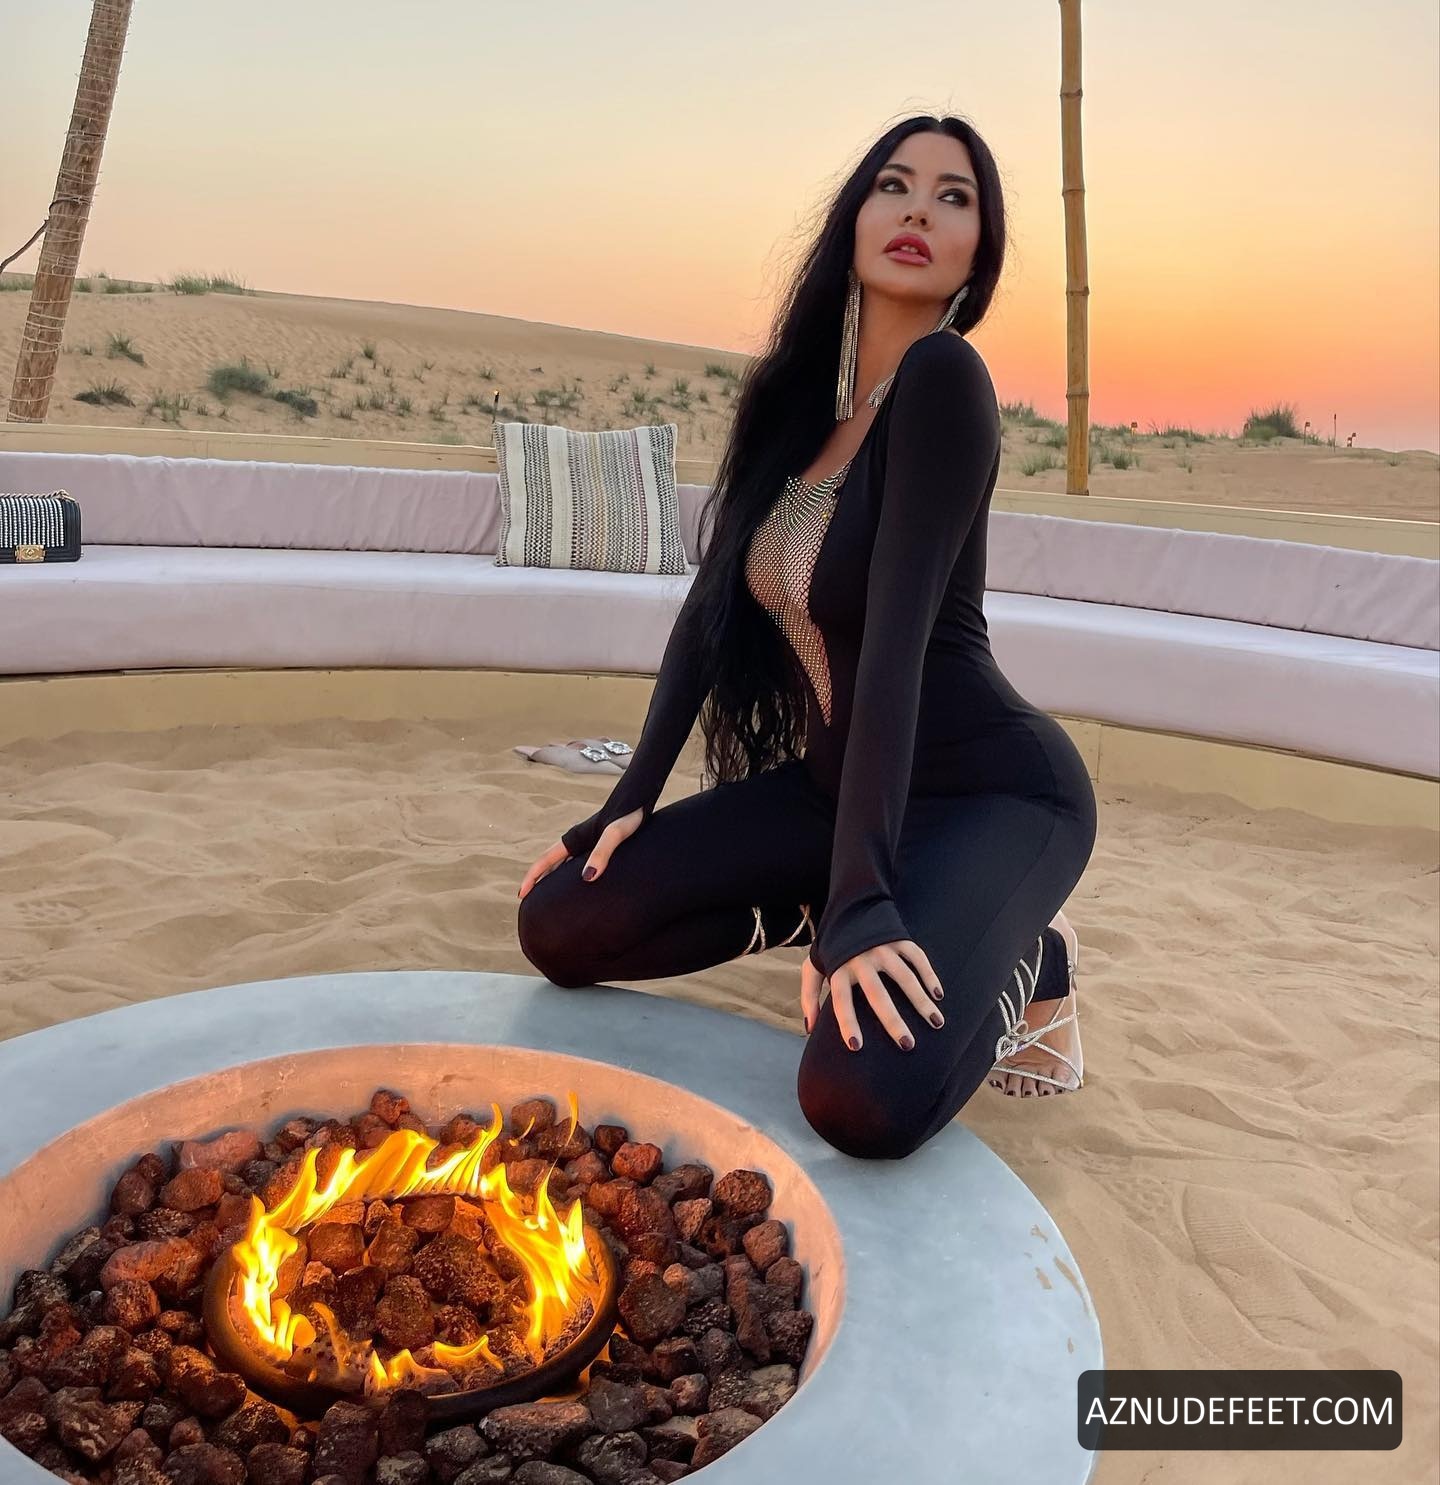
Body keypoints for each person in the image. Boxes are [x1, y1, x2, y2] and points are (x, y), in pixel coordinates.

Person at [517, 115, 1098, 1159]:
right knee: (562, 921)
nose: (919, 210)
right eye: (894, 185)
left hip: (992, 796)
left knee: (858, 1098)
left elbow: (894, 650)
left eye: (954, 197)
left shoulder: (944, 381)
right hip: (839, 797)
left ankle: (1032, 959)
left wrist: (863, 902)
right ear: (854, 217)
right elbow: (708, 611)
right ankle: (831, 903)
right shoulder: (795, 406)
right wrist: (627, 798)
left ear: (979, 254)